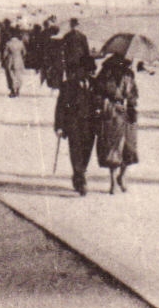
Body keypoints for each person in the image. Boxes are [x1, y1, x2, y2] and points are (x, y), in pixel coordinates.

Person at [54, 52, 101, 195]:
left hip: (90, 124)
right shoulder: (68, 85)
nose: (87, 73)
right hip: (73, 123)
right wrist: (59, 126)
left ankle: (79, 174)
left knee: (86, 151)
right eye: (85, 70)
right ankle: (80, 179)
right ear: (79, 70)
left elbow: (99, 102)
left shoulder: (95, 84)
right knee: (75, 151)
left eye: (90, 71)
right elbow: (60, 107)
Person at [95, 51, 140, 194]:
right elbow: (97, 93)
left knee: (129, 148)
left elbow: (134, 94)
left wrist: (131, 105)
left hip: (127, 114)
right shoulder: (105, 74)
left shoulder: (129, 75)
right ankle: (113, 181)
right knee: (113, 148)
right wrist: (105, 104)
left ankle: (122, 175)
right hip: (111, 114)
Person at [61, 18, 95, 87]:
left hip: (73, 61)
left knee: (72, 78)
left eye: (73, 25)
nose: (73, 27)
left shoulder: (67, 36)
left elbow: (64, 49)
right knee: (79, 78)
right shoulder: (81, 36)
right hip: (78, 60)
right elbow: (86, 50)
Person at [1, 30, 27, 97]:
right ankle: (18, 90)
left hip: (11, 61)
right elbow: (24, 53)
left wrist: (4, 61)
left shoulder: (8, 43)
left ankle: (12, 90)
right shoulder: (21, 43)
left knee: (11, 76)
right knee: (18, 76)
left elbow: (5, 54)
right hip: (19, 60)